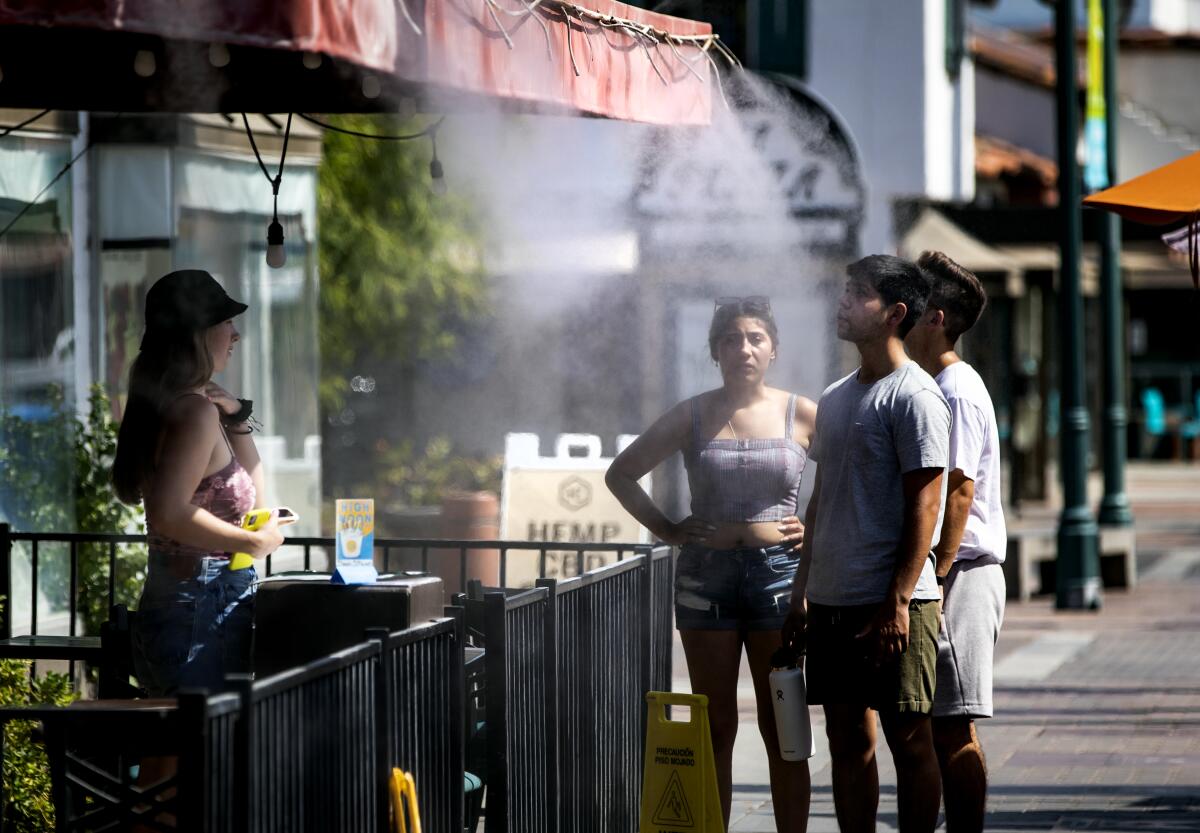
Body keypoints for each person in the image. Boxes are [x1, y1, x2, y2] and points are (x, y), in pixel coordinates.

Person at [607, 296, 816, 832]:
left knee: (784, 728)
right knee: (715, 725)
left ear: (773, 349)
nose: (743, 348)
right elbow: (621, 473)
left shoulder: (803, 412)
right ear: (714, 351)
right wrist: (669, 529)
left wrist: (814, 527)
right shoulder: (693, 413)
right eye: (730, 339)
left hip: (779, 581)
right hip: (706, 582)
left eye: (755, 338)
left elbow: (851, 479)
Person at [784, 255, 949, 833]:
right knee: (846, 737)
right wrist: (802, 590)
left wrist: (899, 600)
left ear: (895, 314)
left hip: (895, 603)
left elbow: (926, 505)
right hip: (831, 599)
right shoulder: (833, 398)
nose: (843, 301)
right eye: (844, 289)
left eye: (858, 293)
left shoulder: (917, 396)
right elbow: (820, 500)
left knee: (910, 737)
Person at [113, 269, 283, 697]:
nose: (236, 335)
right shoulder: (193, 413)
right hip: (200, 607)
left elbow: (259, 503)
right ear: (197, 334)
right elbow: (170, 513)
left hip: (186, 603)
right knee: (199, 757)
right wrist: (251, 544)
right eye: (226, 322)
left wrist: (238, 417)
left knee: (169, 757)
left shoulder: (182, 407)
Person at [905, 251, 1006, 833]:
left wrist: (936, 574)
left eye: (915, 303)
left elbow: (960, 490)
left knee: (955, 722)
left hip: (961, 573)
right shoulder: (937, 383)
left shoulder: (957, 389)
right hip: (948, 572)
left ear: (936, 316)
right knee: (937, 721)